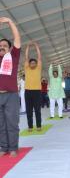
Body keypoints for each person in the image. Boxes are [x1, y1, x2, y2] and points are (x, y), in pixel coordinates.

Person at [0, 17, 21, 157]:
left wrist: (10, 22)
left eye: (4, 46)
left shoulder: (13, 56)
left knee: (12, 123)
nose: (2, 47)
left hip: (11, 95)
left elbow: (17, 39)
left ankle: (13, 147)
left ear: (9, 48)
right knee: (1, 124)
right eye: (0, 46)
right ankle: (3, 147)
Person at [25, 42, 42, 132]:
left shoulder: (38, 68)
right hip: (27, 92)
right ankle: (30, 126)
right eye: (31, 63)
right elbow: (26, 57)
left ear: (36, 64)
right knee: (29, 111)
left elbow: (39, 57)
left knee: (37, 110)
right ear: (29, 64)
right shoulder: (27, 68)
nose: (32, 64)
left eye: (34, 63)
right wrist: (27, 47)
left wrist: (36, 46)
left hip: (37, 92)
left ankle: (38, 125)